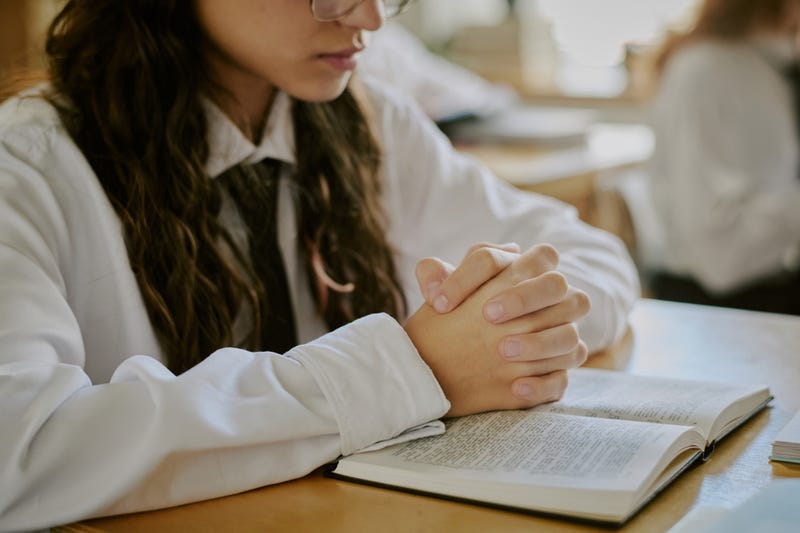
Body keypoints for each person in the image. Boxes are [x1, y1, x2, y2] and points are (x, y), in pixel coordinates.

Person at [0, 0, 639, 530]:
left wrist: (516, 315)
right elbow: (19, 455)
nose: (368, 17)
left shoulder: (366, 119)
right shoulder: (25, 167)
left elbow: (586, 255)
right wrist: (412, 369)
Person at [633, 0, 800, 313]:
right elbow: (719, 263)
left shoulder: (769, 65)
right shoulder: (708, 72)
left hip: (764, 286)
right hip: (718, 305)